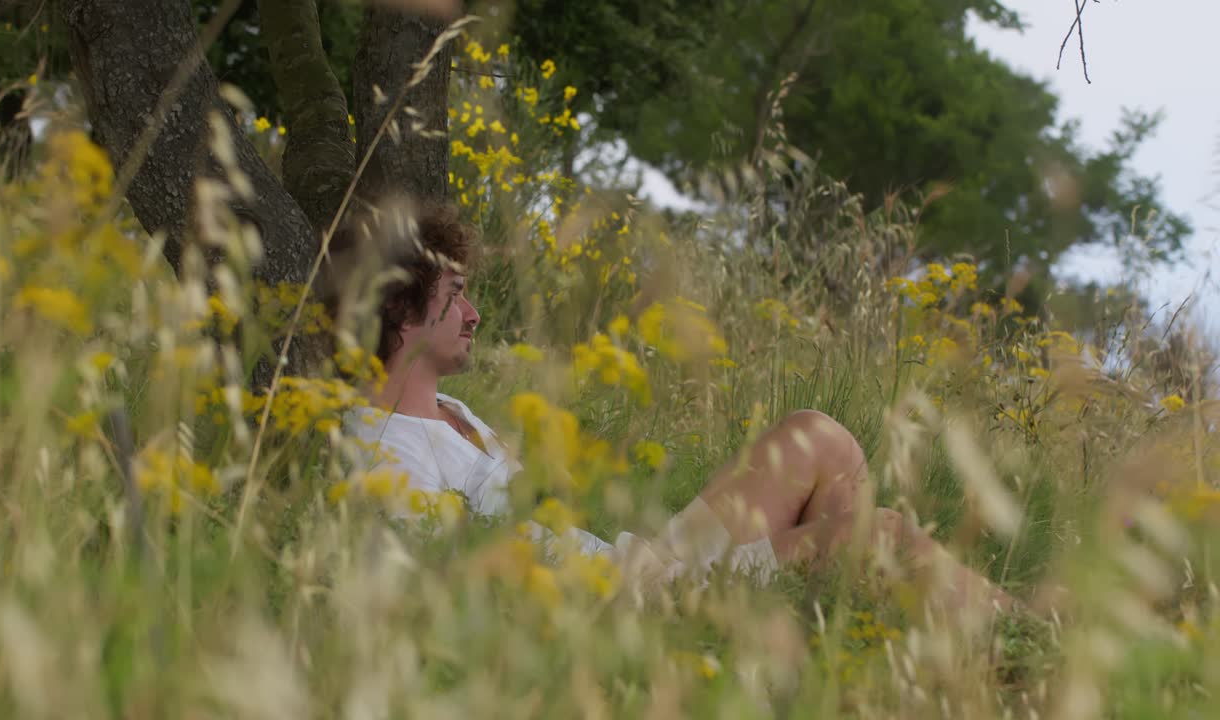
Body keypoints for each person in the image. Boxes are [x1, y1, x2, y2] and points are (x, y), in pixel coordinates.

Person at [335, 203, 1022, 614]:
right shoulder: (378, 447)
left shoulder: (455, 410)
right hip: (620, 607)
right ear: (399, 302)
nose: (475, 312)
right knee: (872, 535)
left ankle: (849, 626)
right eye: (455, 293)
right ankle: (1034, 638)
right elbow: (441, 582)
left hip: (633, 567)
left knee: (817, 438)